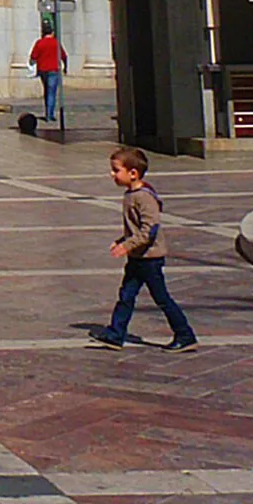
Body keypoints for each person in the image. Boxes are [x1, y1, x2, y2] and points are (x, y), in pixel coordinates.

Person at [91, 147, 197, 352]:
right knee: (126, 295)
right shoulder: (131, 194)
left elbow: (149, 230)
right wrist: (121, 240)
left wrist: (126, 245)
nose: (112, 174)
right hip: (138, 257)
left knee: (162, 298)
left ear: (133, 173)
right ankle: (115, 334)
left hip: (150, 258)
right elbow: (136, 228)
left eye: (116, 170)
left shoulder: (143, 197)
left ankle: (185, 334)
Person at [30, 18, 66, 125]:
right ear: (52, 32)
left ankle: (48, 112)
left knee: (47, 91)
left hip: (42, 70)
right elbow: (64, 56)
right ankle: (50, 114)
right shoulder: (56, 43)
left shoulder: (39, 43)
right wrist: (66, 67)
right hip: (53, 70)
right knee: (51, 92)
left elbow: (33, 56)